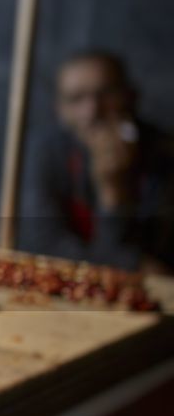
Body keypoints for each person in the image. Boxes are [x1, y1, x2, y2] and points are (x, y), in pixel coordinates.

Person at [21, 50, 174, 272]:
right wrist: (125, 262)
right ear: (60, 110)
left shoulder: (164, 156)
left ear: (130, 97)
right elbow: (43, 243)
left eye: (106, 93)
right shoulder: (47, 153)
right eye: (76, 99)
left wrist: (114, 190)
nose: (92, 111)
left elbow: (160, 260)